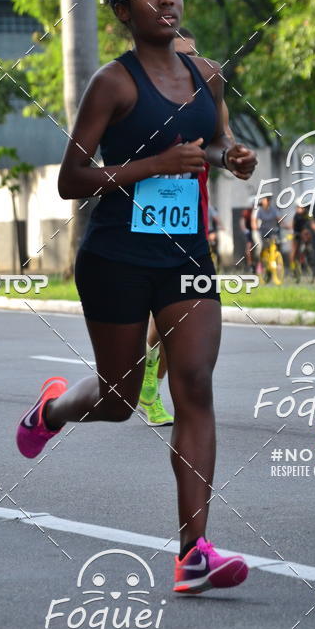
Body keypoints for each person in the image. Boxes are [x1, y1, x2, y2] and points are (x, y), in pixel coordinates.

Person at [16, 0, 258, 593]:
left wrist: (230, 156)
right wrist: (151, 166)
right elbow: (71, 179)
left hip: (186, 255)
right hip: (116, 258)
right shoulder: (112, 84)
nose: (167, 1)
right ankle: (52, 410)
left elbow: (213, 140)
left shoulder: (207, 76)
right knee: (119, 401)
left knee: (194, 385)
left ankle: (194, 553)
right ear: (124, 11)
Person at [138, 27, 205, 427]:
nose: (188, 64)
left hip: (193, 207)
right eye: (181, 56)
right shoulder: (143, 99)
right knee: (169, 311)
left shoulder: (204, 95)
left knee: (183, 309)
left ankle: (149, 383)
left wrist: (234, 153)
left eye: (193, 56)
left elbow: (221, 138)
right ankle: (147, 383)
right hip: (152, 208)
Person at [290, 203, 315, 270]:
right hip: (297, 232)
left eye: (301, 207)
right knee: (294, 250)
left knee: (307, 235)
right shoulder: (296, 215)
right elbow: (292, 226)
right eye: (298, 207)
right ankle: (293, 266)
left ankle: (307, 254)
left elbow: (312, 223)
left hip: (304, 233)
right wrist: (292, 233)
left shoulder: (307, 214)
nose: (299, 209)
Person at [239, 198, 256, 274]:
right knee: (249, 245)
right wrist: (245, 229)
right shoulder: (247, 212)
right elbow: (242, 222)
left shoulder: (259, 211)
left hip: (257, 230)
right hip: (249, 231)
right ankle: (250, 264)